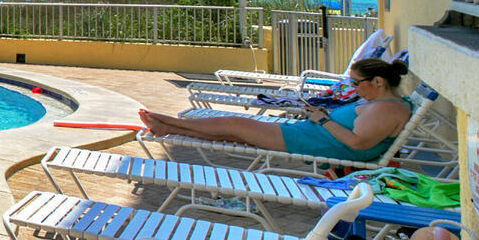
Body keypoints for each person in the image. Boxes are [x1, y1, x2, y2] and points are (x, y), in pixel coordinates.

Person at [139, 57, 413, 163]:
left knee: (236, 126)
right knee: (236, 133)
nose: (352, 88)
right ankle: (170, 126)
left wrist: (322, 120)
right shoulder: (382, 103)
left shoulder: (386, 110)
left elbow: (358, 142)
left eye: (355, 83)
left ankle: (169, 123)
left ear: (378, 82)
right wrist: (319, 117)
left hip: (314, 142)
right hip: (311, 134)